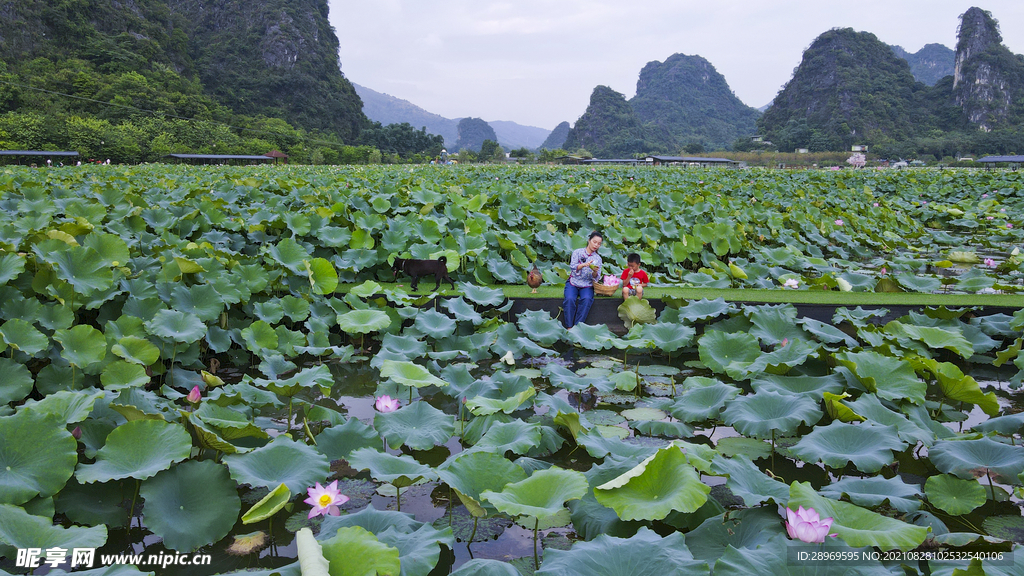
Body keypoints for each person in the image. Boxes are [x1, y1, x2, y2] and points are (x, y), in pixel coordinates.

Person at [563, 231, 603, 328]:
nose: (596, 245)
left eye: (599, 243)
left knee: (587, 299)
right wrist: (584, 265)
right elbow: (573, 267)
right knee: (569, 299)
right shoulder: (577, 252)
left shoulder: (598, 259)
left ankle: (577, 327)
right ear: (589, 240)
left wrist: (594, 271)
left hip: (587, 285)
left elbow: (596, 277)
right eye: (594, 242)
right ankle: (569, 326)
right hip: (573, 282)